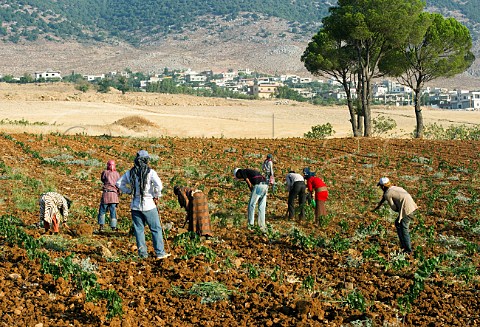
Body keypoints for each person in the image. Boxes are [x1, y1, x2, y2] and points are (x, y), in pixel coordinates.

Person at [116, 150, 170, 259]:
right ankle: (160, 253)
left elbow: (118, 183)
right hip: (149, 205)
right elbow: (159, 185)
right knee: (155, 229)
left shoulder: (130, 172)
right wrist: (156, 195)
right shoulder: (150, 172)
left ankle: (142, 254)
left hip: (135, 206)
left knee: (139, 230)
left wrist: (129, 191)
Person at [372, 177, 418, 254]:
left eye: (380, 186)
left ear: (383, 186)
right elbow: (385, 196)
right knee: (397, 223)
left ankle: (408, 249)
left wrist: (396, 206)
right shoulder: (395, 187)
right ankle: (403, 244)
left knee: (404, 228)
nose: (380, 188)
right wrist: (378, 206)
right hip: (412, 206)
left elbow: (394, 208)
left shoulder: (388, 194)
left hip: (407, 210)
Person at [97, 160, 121, 232]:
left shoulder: (105, 172)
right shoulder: (117, 174)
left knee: (102, 210)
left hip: (106, 194)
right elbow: (119, 184)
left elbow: (103, 179)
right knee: (113, 211)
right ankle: (113, 227)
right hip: (114, 194)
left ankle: (101, 226)